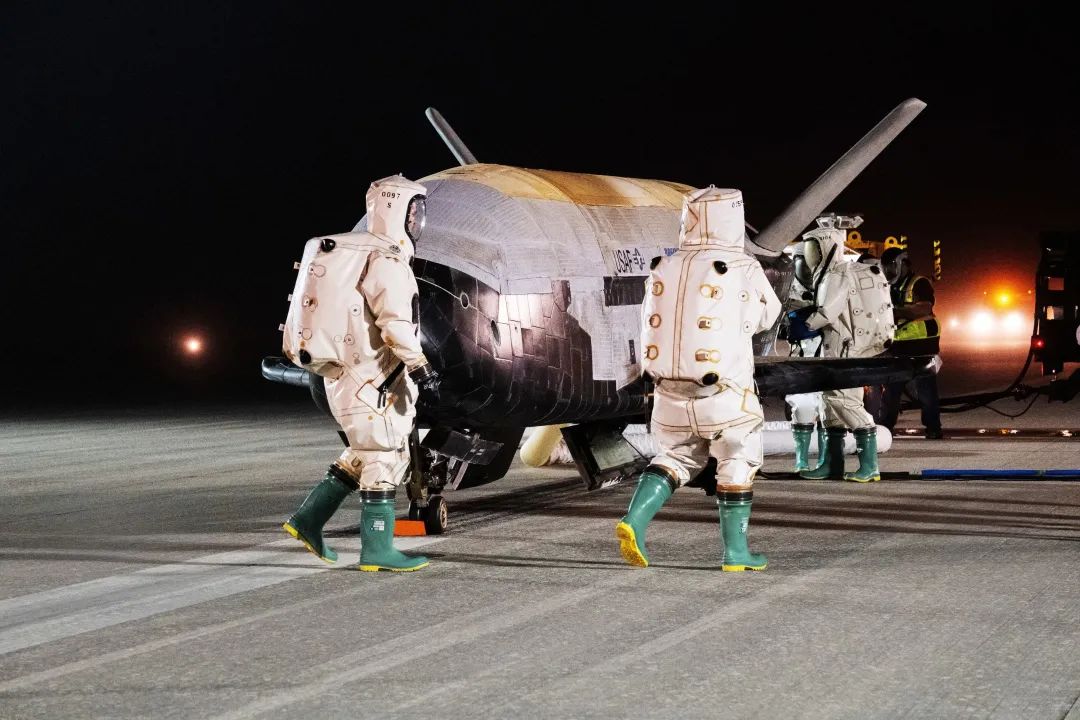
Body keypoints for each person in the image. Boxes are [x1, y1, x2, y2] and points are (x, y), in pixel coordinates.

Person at [616, 186, 781, 571]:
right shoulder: (742, 266)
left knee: (675, 457)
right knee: (738, 459)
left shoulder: (665, 264)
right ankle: (736, 553)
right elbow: (767, 315)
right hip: (726, 394)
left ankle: (634, 520)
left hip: (668, 395)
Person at [281, 175, 440, 572]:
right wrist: (421, 367)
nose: (418, 221)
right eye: (414, 212)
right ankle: (377, 550)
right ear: (396, 211)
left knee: (361, 453)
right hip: (372, 382)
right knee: (385, 457)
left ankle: (308, 520)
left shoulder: (358, 253)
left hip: (348, 378)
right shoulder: (386, 260)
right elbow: (395, 324)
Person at [798, 222, 893, 482]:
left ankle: (869, 466)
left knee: (844, 401)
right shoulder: (831, 274)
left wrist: (804, 324)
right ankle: (831, 464)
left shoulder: (837, 274)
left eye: (814, 249)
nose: (811, 256)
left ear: (827, 248)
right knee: (830, 404)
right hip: (837, 347)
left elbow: (828, 311)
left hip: (845, 348)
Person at [877, 247, 943, 439]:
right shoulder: (890, 286)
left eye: (890, 267)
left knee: (926, 390)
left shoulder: (920, 283)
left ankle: (933, 428)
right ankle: (886, 429)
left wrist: (894, 311)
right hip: (900, 345)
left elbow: (923, 308)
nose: (888, 272)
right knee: (892, 390)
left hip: (922, 345)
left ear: (900, 264)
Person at [784, 242, 825, 472]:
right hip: (801, 358)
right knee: (803, 407)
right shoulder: (784, 291)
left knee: (829, 410)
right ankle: (801, 460)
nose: (809, 270)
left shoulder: (829, 286)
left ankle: (826, 460)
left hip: (828, 355)